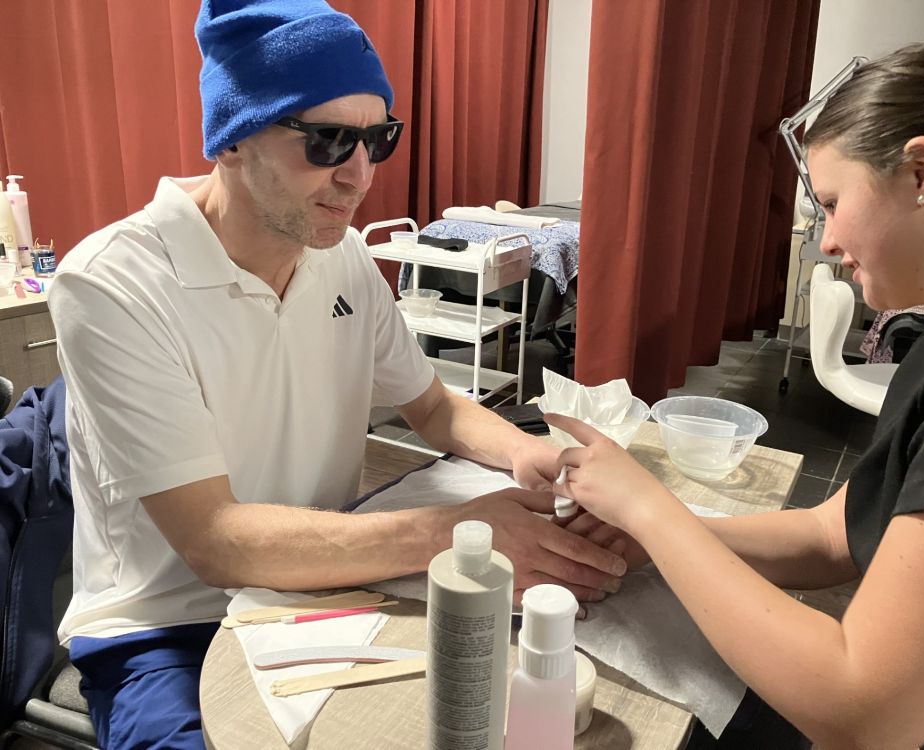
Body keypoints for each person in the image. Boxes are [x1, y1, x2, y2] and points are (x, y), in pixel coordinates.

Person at [47, 1, 626, 747]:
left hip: (329, 582)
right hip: (170, 624)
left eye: (377, 138)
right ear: (231, 139)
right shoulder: (113, 285)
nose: (358, 176)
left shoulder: (339, 255)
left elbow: (432, 408)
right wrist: (456, 531)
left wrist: (531, 454)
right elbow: (216, 542)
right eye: (326, 141)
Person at [547, 41, 924, 750]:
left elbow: (863, 711)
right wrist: (650, 540)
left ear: (922, 174)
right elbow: (833, 536)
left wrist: (648, 506)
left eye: (831, 204)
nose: (826, 242)